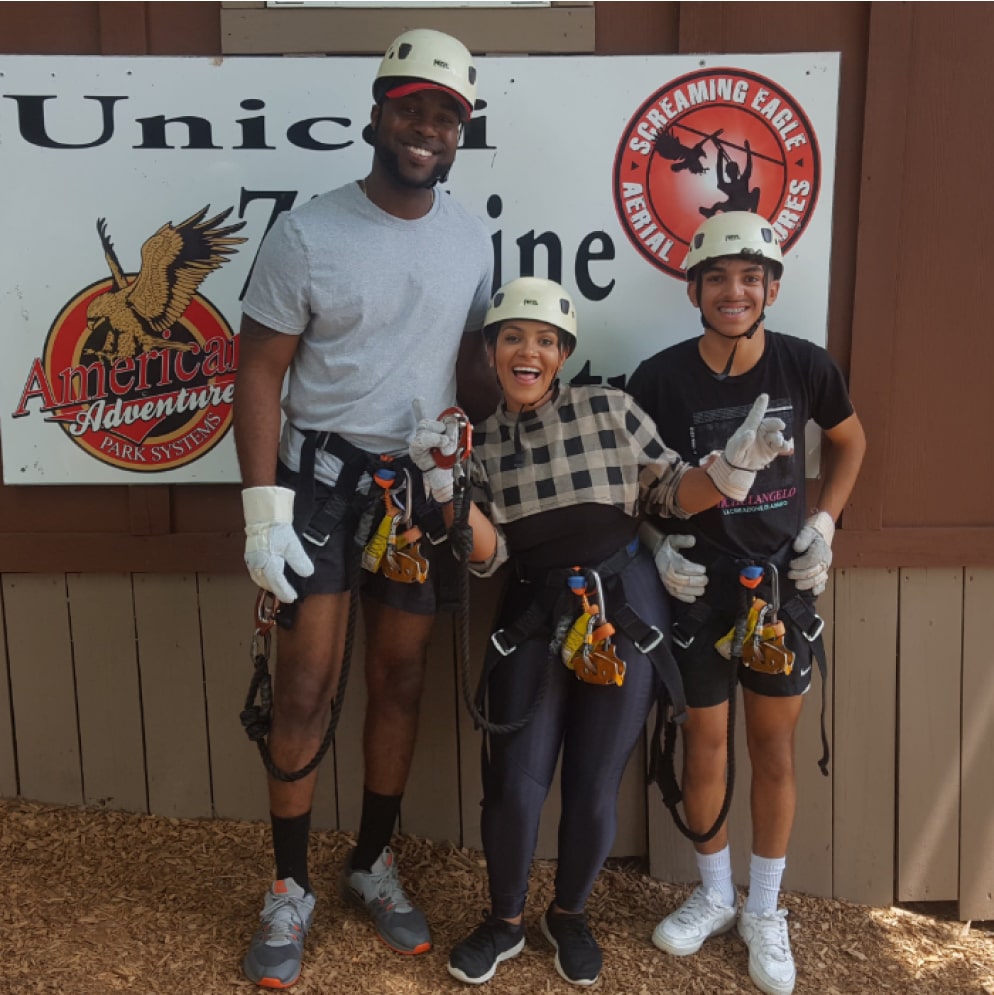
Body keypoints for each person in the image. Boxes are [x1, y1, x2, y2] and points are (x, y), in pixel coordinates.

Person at [409, 276, 793, 988]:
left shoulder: (611, 408)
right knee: (516, 782)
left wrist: (733, 468)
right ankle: (504, 920)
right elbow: (488, 554)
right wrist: (444, 487)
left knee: (594, 781)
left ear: (563, 355)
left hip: (625, 605)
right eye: (514, 338)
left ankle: (570, 913)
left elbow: (674, 492)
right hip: (532, 607)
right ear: (490, 351)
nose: (530, 352)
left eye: (547, 341)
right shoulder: (480, 444)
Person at [233, 28, 497, 989]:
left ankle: (372, 863)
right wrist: (263, 508)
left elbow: (466, 352)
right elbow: (257, 370)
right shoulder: (308, 232)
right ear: (378, 113)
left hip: (417, 489)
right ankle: (289, 885)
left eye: (446, 114)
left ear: (459, 132)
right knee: (304, 687)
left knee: (399, 681)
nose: (427, 126)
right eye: (412, 106)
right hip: (320, 486)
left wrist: (479, 406)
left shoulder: (473, 232)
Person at [627, 212, 866, 995]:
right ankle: (715, 891)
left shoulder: (804, 365)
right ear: (694, 286)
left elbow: (852, 440)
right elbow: (634, 481)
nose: (735, 291)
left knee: (772, 747)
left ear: (771, 287)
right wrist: (657, 546)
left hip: (778, 586)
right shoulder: (659, 378)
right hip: (699, 584)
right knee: (705, 743)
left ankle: (765, 907)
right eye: (720, 278)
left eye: (751, 278)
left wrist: (824, 523)